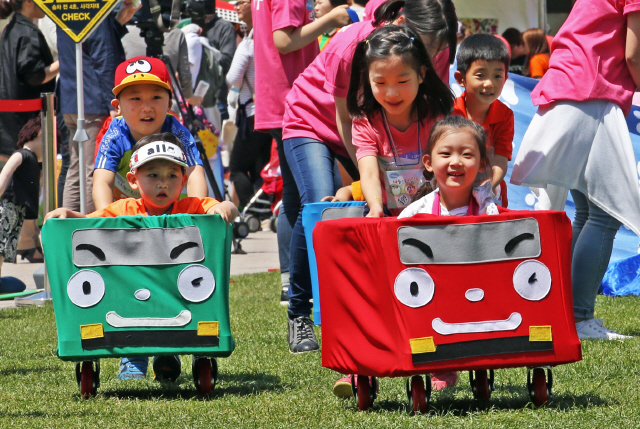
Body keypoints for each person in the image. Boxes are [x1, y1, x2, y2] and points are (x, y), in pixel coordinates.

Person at [280, 0, 457, 354]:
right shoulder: (352, 44)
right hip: (315, 121)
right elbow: (346, 117)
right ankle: (300, 312)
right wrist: (364, 168)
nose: (432, 53)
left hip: (371, 128)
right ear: (404, 21)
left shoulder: (430, 50)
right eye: (426, 43)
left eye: (437, 48)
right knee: (319, 201)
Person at [46, 133, 238, 380]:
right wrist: (69, 214)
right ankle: (133, 357)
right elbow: (94, 222)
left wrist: (223, 208)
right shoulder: (125, 209)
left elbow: (226, 208)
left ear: (184, 180)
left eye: (172, 175)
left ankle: (167, 355)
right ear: (133, 180)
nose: (163, 183)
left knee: (177, 312)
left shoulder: (192, 207)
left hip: (175, 293)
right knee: (130, 308)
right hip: (133, 290)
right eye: (153, 175)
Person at [510, 0, 640, 340]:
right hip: (590, 95)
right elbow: (634, 54)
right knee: (604, 216)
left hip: (568, 91)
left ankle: (564, 314)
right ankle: (579, 318)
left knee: (586, 211)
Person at [252, 0, 352, 308]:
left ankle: (290, 282)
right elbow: (284, 41)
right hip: (293, 100)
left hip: (280, 99)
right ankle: (299, 284)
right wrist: (333, 18)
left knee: (294, 197)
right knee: (305, 198)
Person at [348, 25, 453, 217]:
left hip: (434, 214)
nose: (392, 94)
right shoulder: (366, 122)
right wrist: (376, 207)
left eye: (402, 81)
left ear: (421, 74)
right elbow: (369, 172)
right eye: (380, 83)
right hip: (387, 214)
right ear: (368, 79)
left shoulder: (436, 116)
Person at [93, 56, 208, 211]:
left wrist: (197, 217)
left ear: (169, 104)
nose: (146, 107)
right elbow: (102, 182)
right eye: (135, 98)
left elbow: (195, 176)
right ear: (118, 106)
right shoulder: (114, 135)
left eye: (156, 97)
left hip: (171, 215)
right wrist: (108, 223)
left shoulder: (179, 134)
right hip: (128, 217)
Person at [57, 1, 139, 214]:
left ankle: (66, 228)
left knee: (76, 169)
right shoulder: (94, 10)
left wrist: (118, 21)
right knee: (94, 170)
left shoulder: (69, 10)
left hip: (72, 99)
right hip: (94, 101)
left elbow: (89, 45)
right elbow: (104, 58)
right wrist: (113, 101)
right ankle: (89, 230)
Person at [452, 33, 513, 207]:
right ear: (460, 79)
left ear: (506, 78)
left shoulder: (505, 115)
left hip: (489, 191)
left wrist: (485, 187)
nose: (489, 84)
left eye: (497, 76)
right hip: (452, 188)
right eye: (480, 75)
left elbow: (501, 159)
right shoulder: (450, 112)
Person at [226, 0, 272, 210]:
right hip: (269, 111)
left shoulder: (249, 43)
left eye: (242, 2)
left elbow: (233, 77)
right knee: (261, 166)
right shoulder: (270, 37)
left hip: (252, 112)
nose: (237, 6)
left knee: (236, 167)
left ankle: (251, 210)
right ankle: (264, 210)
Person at [0, 0, 58, 159]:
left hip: (8, 118)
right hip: (25, 120)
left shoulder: (10, 28)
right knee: (27, 170)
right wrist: (65, 61)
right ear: (28, 2)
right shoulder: (27, 32)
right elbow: (35, 75)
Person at [0, 117, 51, 293]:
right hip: (8, 204)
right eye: (47, 138)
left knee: (6, 246)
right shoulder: (21, 154)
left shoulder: (36, 162)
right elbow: (5, 175)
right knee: (1, 244)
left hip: (18, 208)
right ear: (37, 134)